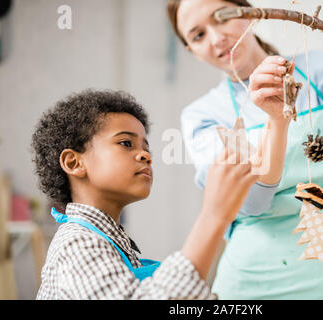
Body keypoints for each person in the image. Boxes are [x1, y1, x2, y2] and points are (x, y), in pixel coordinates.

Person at [167, 0, 323, 299]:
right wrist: (277, 120)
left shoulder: (321, 70)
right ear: (191, 50)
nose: (216, 38)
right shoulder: (205, 114)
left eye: (221, 18)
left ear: (248, 11)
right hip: (255, 287)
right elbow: (251, 203)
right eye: (198, 36)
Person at [32, 89, 258, 299]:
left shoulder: (113, 243)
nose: (145, 156)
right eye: (126, 143)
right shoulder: (77, 243)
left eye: (146, 149)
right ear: (73, 162)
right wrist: (213, 216)